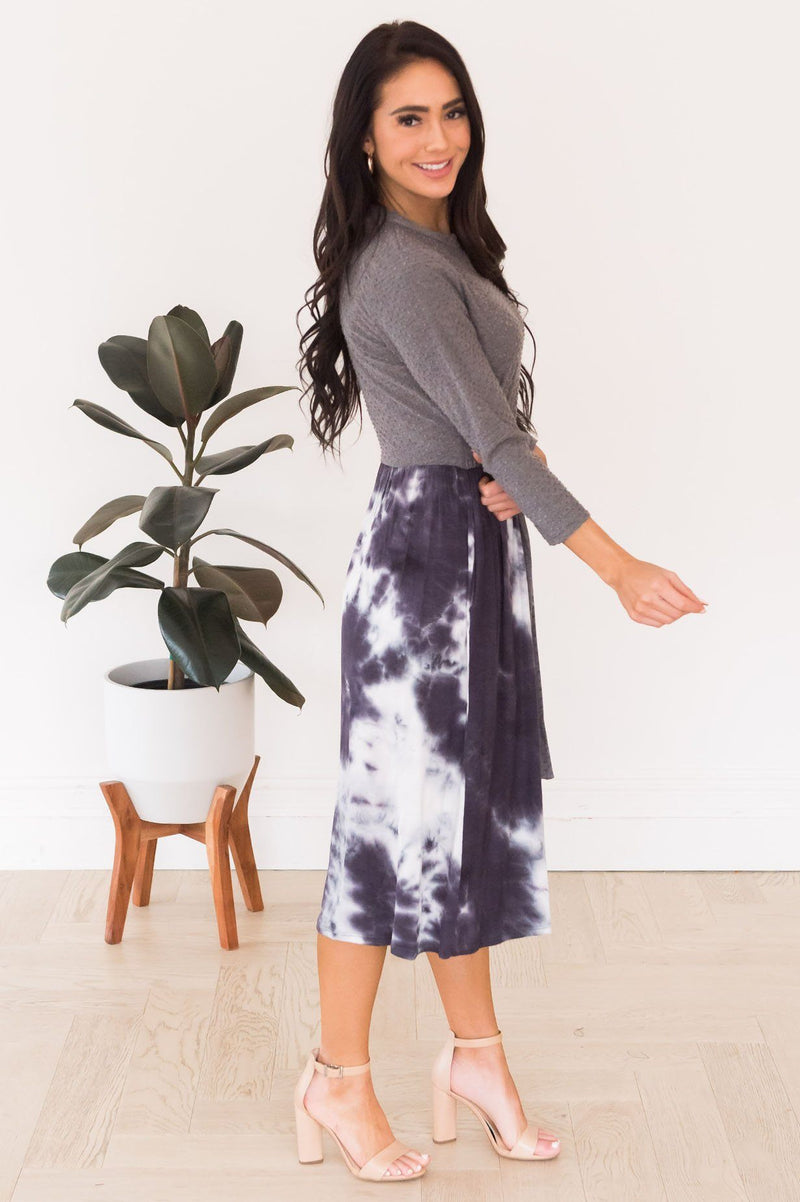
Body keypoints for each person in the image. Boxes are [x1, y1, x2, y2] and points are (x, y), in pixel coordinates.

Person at [292, 20, 707, 1184]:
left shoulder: (444, 246)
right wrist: (615, 565)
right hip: (421, 571)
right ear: (364, 140)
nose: (437, 137)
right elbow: (492, 432)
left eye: (451, 111)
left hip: (466, 549)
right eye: (407, 118)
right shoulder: (396, 266)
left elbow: (480, 433)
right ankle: (336, 1074)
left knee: (457, 825)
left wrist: (506, 478)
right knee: (385, 835)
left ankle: (475, 1057)